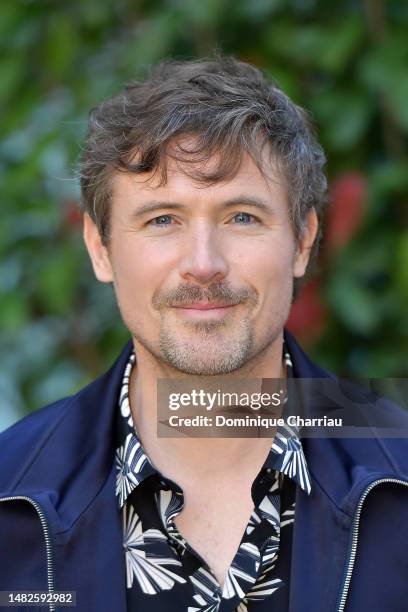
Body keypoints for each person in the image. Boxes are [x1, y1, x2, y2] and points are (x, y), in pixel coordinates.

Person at [0, 55, 407, 612]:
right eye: (162, 219)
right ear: (100, 248)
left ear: (304, 240)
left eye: (242, 216)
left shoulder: (400, 470)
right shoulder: (8, 497)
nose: (204, 264)